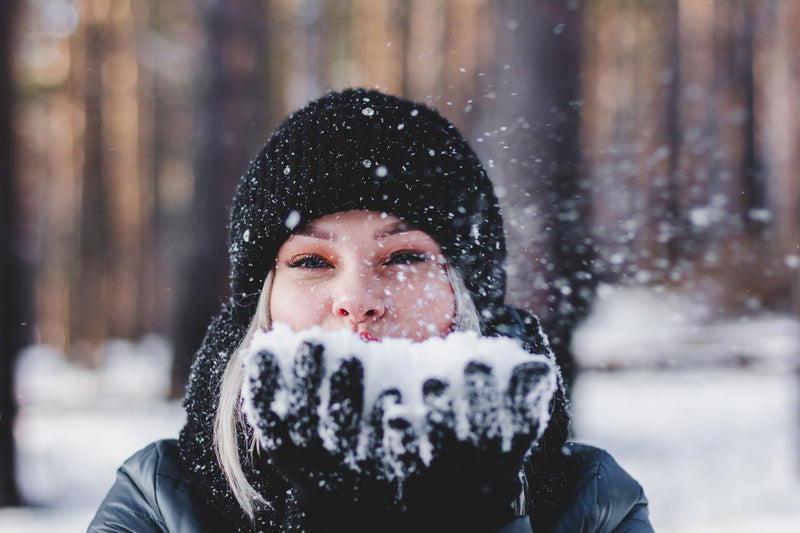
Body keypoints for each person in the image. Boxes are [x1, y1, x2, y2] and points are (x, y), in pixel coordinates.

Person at [88, 88, 654, 533]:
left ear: (465, 294)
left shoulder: (594, 501)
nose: (356, 300)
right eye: (311, 260)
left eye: (404, 256)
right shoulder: (158, 500)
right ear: (263, 303)